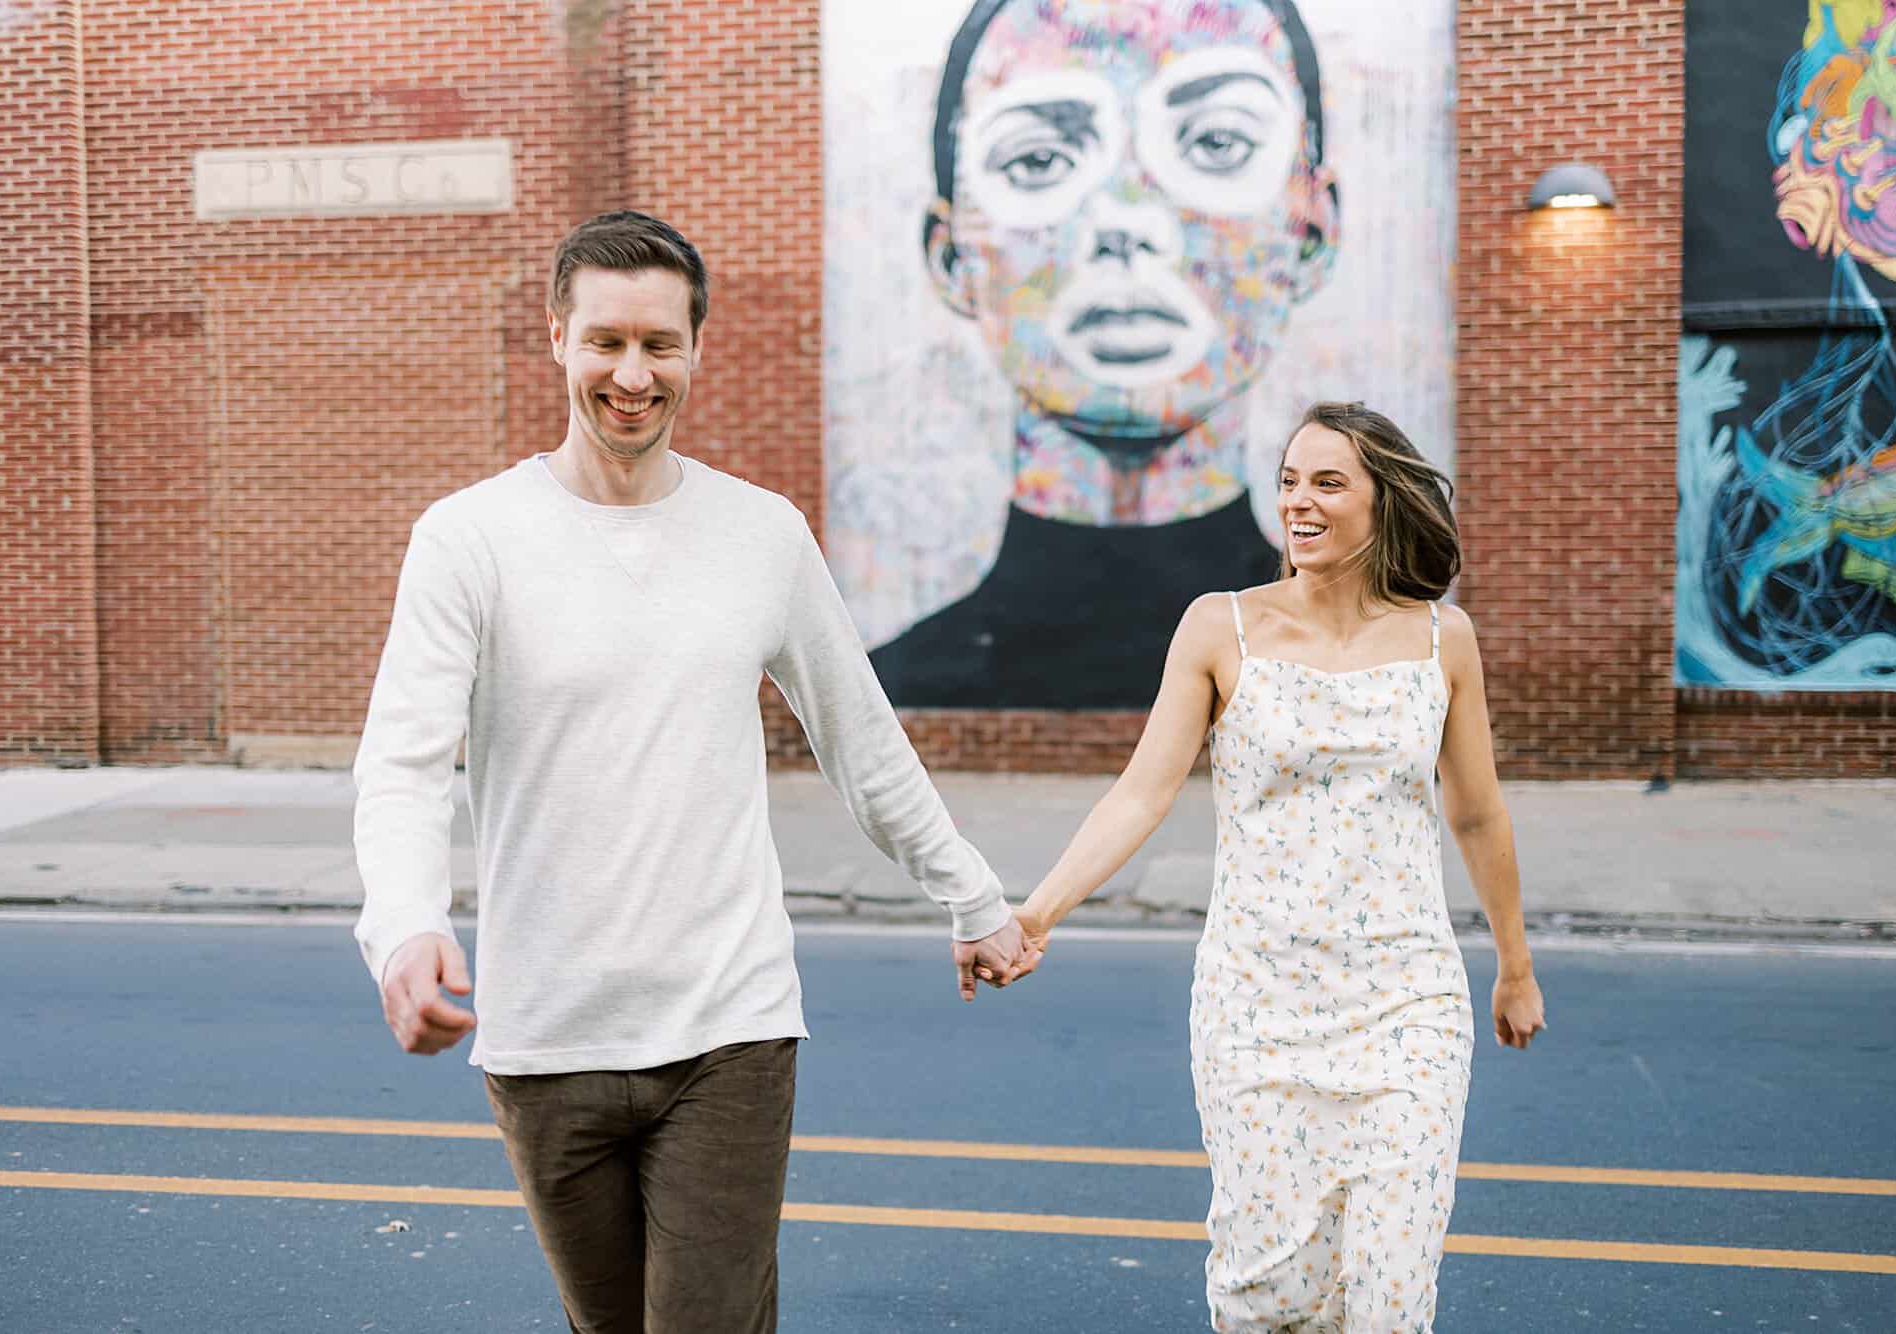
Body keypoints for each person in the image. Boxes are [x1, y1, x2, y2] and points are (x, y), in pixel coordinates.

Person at [350, 209, 1039, 1334]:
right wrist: (406, 923)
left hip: (728, 1029)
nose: (633, 374)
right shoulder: (468, 537)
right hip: (547, 1033)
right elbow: (404, 761)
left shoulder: (759, 533)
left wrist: (968, 893)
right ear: (558, 339)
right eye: (607, 341)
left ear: (694, 350)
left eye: (659, 344)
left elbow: (858, 738)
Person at [1013, 401, 1545, 1331]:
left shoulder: (1440, 639)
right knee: (1272, 1293)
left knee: (1391, 1289)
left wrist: (1515, 965)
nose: (1300, 502)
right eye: (1290, 481)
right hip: (1256, 1004)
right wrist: (1040, 910)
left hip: (1406, 1001)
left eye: (1328, 482)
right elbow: (1142, 792)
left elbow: (1476, 811)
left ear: (1384, 500)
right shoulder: (1221, 629)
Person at [869, 0, 1340, 709]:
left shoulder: (1364, 677)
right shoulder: (894, 681)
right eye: (1038, 158)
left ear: (1311, 233)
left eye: (1217, 143)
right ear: (952, 256)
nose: (1124, 219)